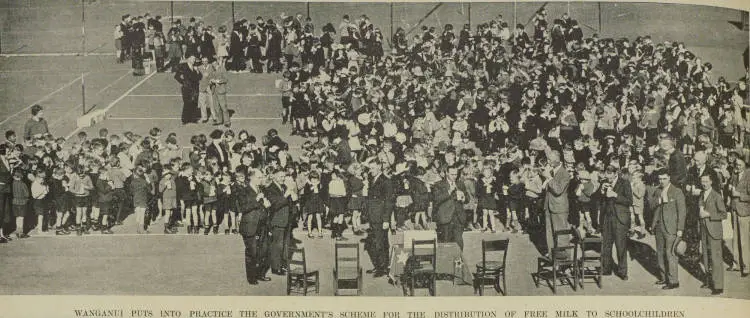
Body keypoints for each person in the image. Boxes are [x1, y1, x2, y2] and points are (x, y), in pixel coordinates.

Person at [651, 168, 686, 290]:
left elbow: (682, 212)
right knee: (660, 253)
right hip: (659, 226)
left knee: (670, 253)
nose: (662, 181)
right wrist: (659, 200)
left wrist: (680, 229)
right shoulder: (657, 191)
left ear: (669, 178)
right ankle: (663, 277)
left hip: (671, 227)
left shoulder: (677, 191)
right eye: (660, 179)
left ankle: (673, 281)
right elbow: (651, 205)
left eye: (664, 178)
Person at [600, 165, 633, 280]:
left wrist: (615, 195)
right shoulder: (604, 182)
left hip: (620, 219)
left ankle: (622, 272)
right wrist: (602, 191)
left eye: (610, 175)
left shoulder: (624, 183)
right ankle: (606, 269)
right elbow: (599, 200)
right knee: (606, 245)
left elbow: (629, 201)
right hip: (607, 218)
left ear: (615, 174)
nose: (608, 178)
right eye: (606, 175)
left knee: (621, 246)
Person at [698, 174, 727, 295]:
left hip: (714, 231)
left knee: (715, 259)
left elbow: (723, 214)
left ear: (711, 182)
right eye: (702, 181)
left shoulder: (716, 196)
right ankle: (709, 281)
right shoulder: (701, 194)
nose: (704, 183)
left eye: (706, 181)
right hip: (704, 230)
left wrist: (709, 214)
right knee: (705, 257)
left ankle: (718, 286)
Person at [364, 159, 392, 277]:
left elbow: (389, 202)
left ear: (379, 167)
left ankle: (383, 268)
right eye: (370, 168)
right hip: (373, 216)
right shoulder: (372, 180)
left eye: (373, 168)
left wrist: (386, 220)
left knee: (381, 243)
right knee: (375, 243)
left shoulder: (386, 181)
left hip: (380, 217)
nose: (371, 171)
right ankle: (378, 266)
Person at [264, 168, 292, 275]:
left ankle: (283, 264)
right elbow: (274, 204)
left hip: (286, 220)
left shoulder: (284, 187)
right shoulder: (270, 188)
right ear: (274, 176)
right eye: (281, 176)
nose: (283, 178)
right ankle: (276, 267)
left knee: (285, 244)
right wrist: (285, 196)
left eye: (284, 176)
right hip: (277, 220)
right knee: (277, 245)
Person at [543, 150, 570, 255]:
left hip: (559, 208)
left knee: (561, 236)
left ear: (556, 161)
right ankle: (552, 257)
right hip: (549, 206)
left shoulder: (565, 174)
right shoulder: (551, 171)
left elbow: (558, 190)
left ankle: (564, 262)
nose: (548, 162)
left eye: (550, 160)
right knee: (549, 234)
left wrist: (549, 178)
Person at [729, 158, 750, 277]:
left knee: (744, 240)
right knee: (735, 238)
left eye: (740, 164)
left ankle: (746, 266)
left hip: (744, 211)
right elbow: (730, 186)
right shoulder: (734, 174)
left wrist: (739, 195)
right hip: (734, 209)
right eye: (736, 164)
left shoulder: (749, 175)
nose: (737, 166)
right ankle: (736, 263)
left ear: (745, 164)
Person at [175, 55, 202, 125]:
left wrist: (197, 71)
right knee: (187, 103)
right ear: (188, 59)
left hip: (195, 88)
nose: (194, 60)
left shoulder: (195, 67)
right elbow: (176, 76)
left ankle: (193, 119)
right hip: (187, 88)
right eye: (192, 59)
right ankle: (185, 119)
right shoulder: (183, 66)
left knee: (194, 103)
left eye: (194, 59)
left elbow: (200, 77)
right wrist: (183, 82)